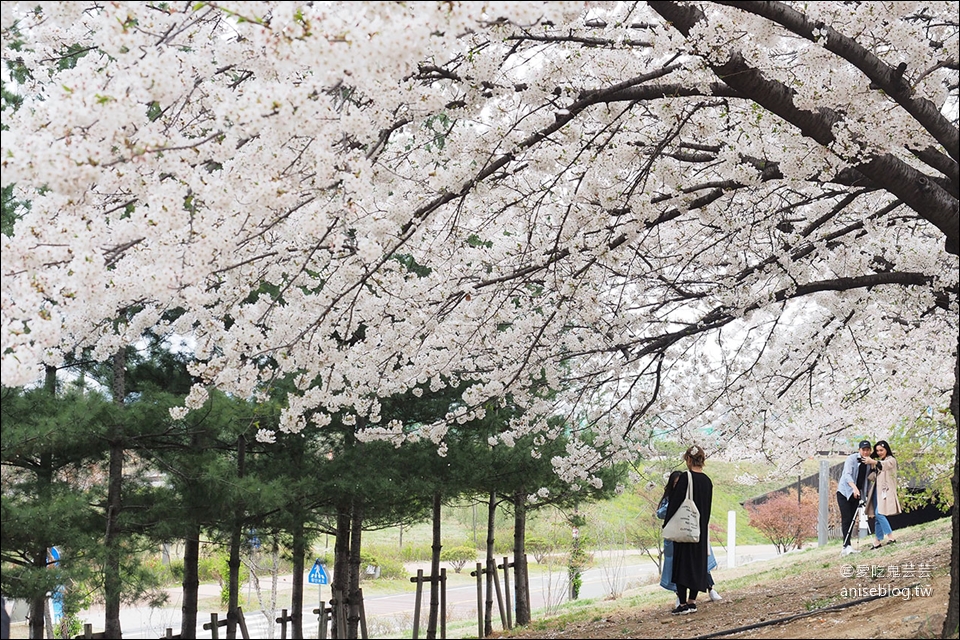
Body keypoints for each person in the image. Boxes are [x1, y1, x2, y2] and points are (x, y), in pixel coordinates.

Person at [657, 471, 722, 606]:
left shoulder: (692, 495)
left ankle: (709, 589)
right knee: (677, 567)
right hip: (676, 537)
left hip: (692, 533)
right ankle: (681, 598)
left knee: (698, 564)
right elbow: (660, 513)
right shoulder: (669, 499)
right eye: (675, 484)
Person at [662, 445, 713, 615]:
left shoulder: (686, 477)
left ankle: (682, 603)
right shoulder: (707, 481)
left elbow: (675, 503)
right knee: (697, 563)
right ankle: (693, 601)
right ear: (702, 460)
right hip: (700, 528)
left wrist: (667, 523)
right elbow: (707, 507)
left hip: (685, 526)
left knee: (682, 563)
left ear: (688, 459)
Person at [836, 440, 880, 555]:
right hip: (845, 492)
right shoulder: (851, 459)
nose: (865, 452)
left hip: (857, 494)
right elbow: (847, 475)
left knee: (852, 519)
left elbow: (868, 479)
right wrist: (854, 488)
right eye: (863, 450)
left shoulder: (869, 462)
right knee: (846, 518)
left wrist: (872, 465)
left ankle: (848, 546)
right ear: (859, 450)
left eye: (867, 450)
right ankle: (846, 545)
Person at [867, 439, 902, 548]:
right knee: (878, 516)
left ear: (886, 449)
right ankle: (877, 541)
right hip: (877, 492)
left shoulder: (891, 460)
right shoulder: (879, 462)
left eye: (881, 450)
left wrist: (873, 462)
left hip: (885, 492)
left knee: (879, 513)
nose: (879, 453)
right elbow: (871, 477)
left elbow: (885, 465)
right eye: (877, 451)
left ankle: (891, 536)